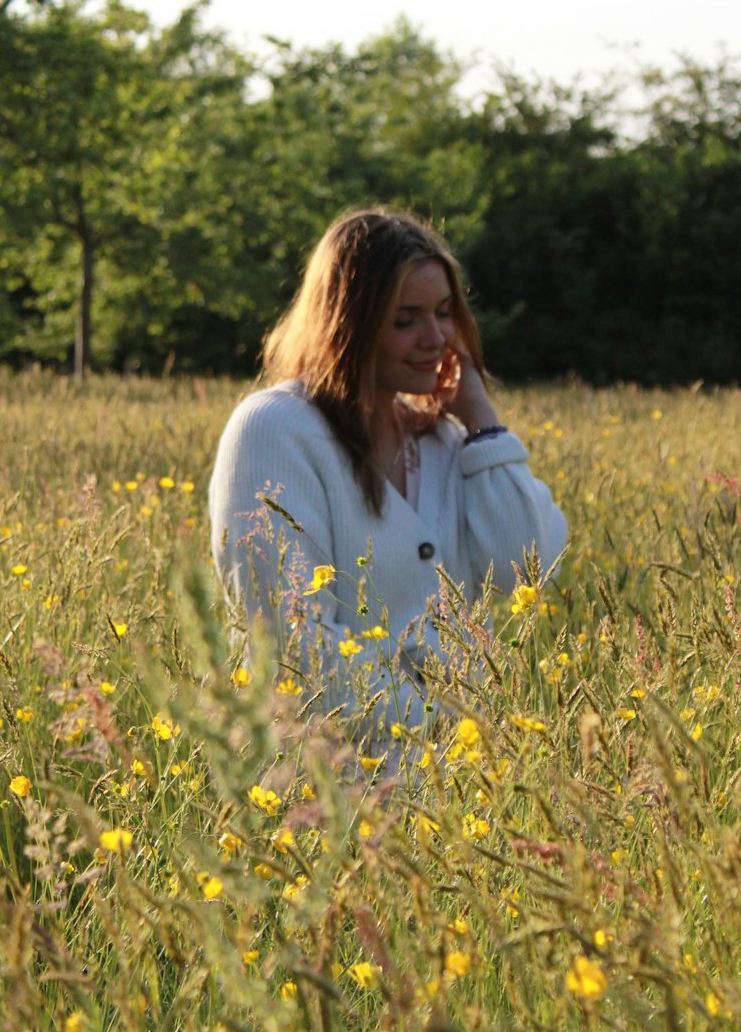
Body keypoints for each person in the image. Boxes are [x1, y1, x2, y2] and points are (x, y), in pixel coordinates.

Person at [208, 209, 567, 732]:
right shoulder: (274, 430)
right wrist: (439, 729)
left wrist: (483, 423)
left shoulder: (445, 439)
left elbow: (525, 568)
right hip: (327, 785)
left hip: (460, 794)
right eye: (405, 320)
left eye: (445, 313)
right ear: (347, 323)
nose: (437, 337)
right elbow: (291, 642)